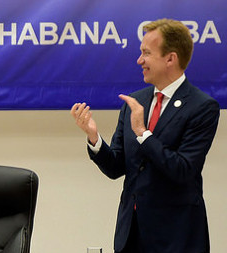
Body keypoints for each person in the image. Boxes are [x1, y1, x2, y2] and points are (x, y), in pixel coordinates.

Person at [70, 19, 219, 253]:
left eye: (146, 53)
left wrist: (143, 133)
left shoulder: (202, 107)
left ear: (170, 58)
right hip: (131, 235)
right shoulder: (135, 101)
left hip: (177, 237)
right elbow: (116, 167)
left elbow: (183, 170)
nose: (139, 60)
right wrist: (94, 139)